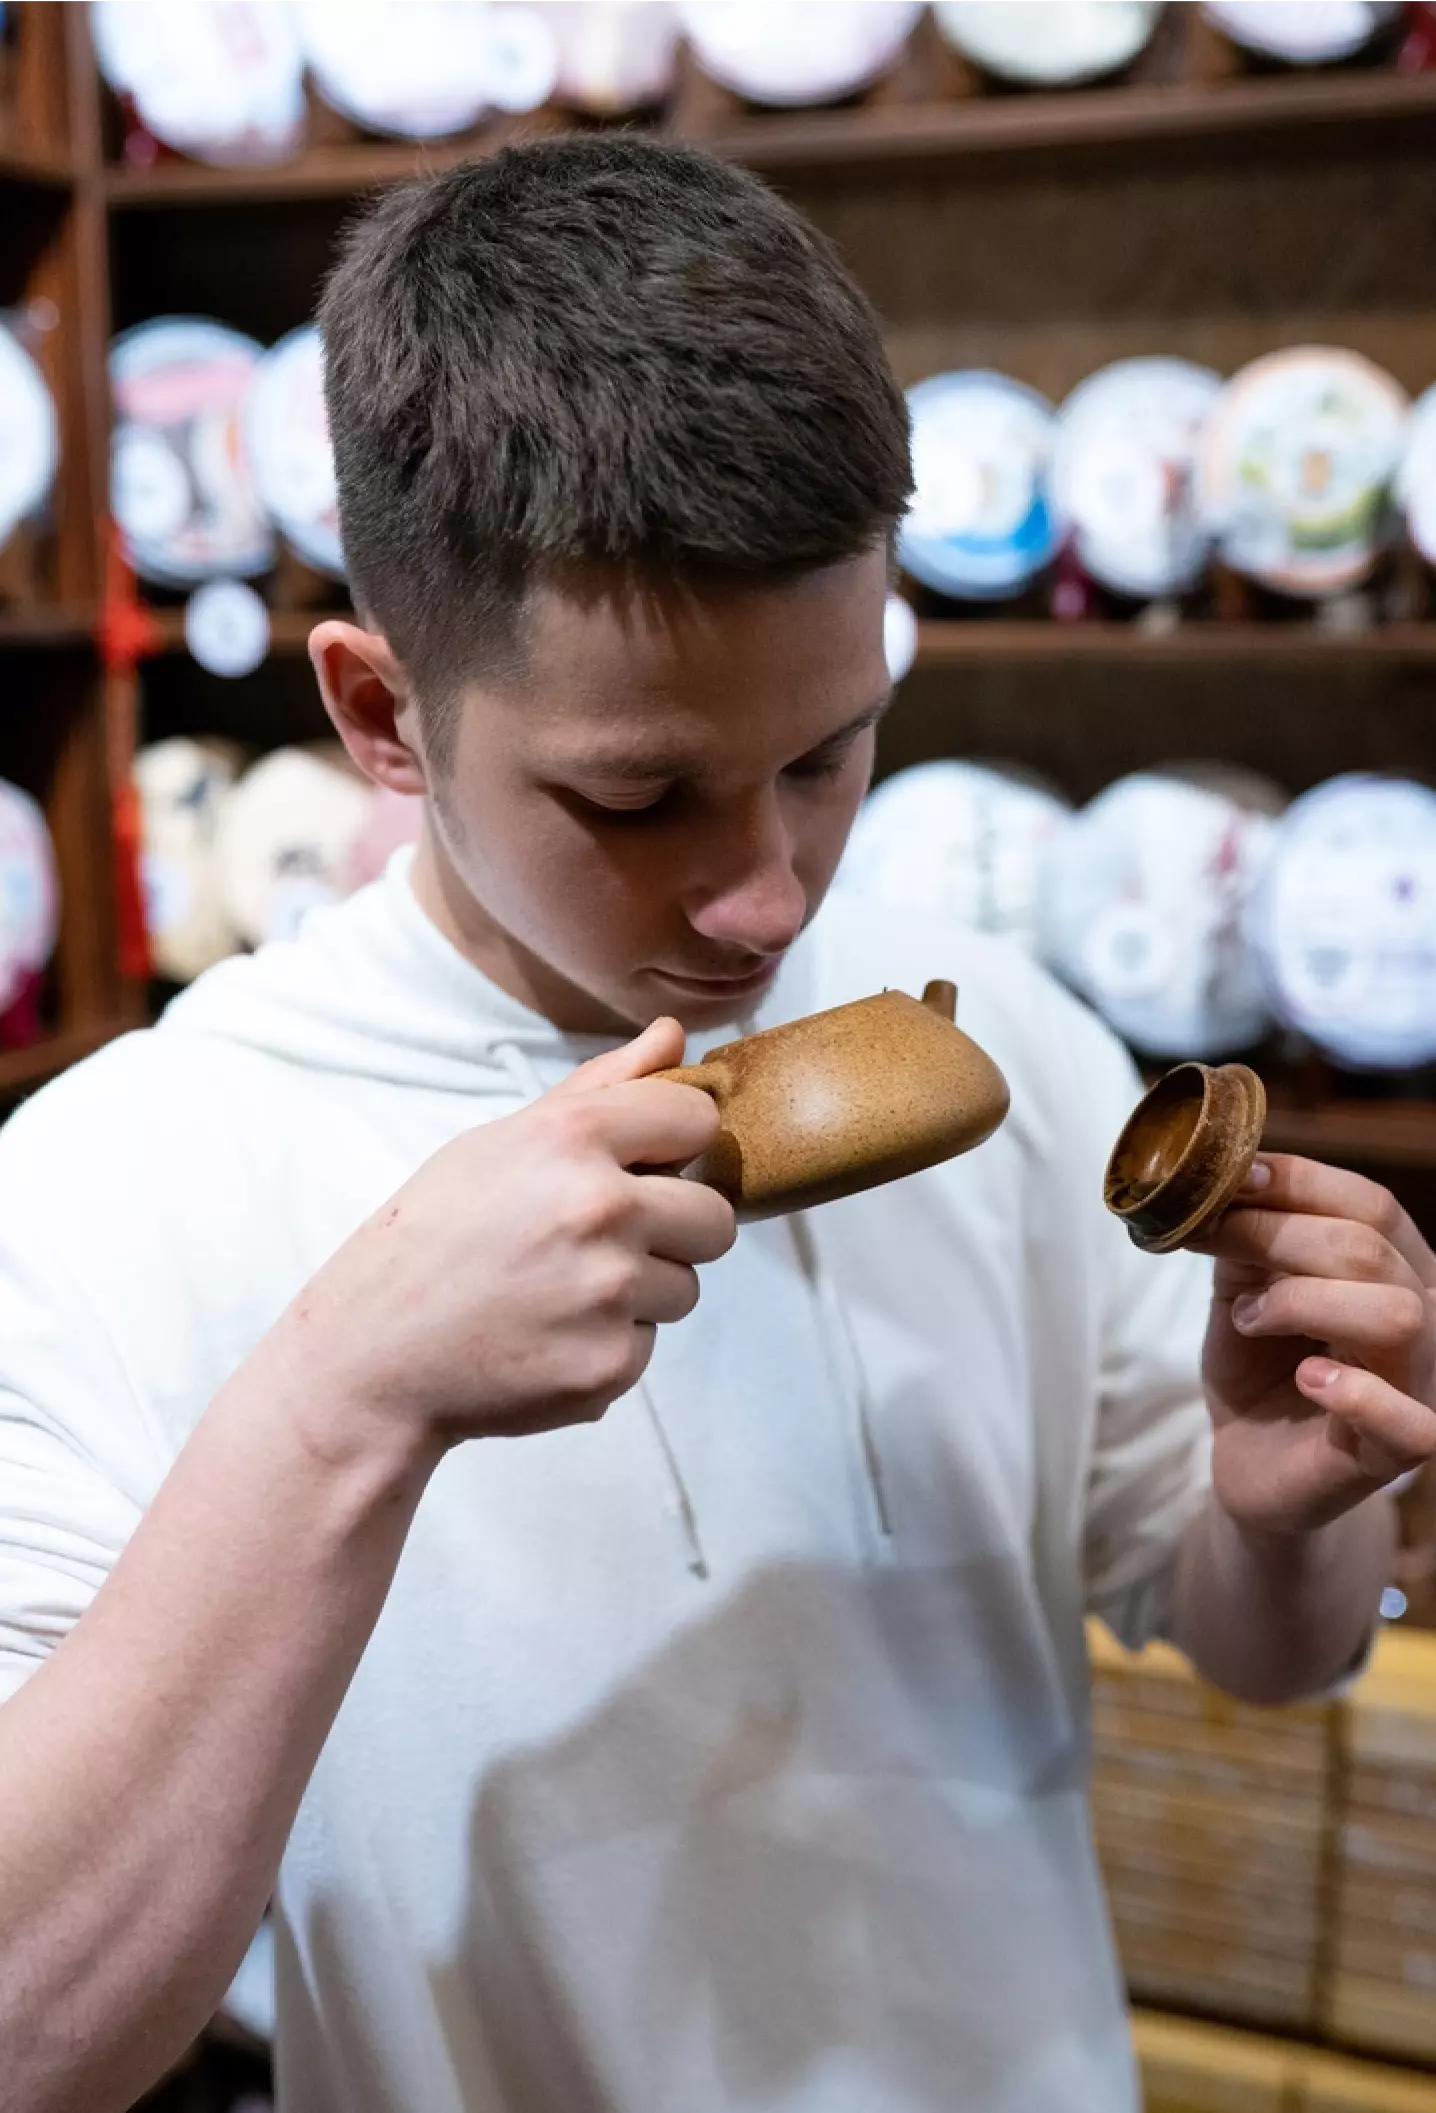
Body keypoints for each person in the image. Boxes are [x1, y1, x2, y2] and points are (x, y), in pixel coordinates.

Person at [0, 137, 1431, 2113]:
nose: (767, 900)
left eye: (829, 756)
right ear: (382, 717)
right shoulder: (101, 1190)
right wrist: (341, 1406)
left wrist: (1289, 1512)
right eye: (638, 797)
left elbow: (1271, 1650)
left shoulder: (995, 1030)